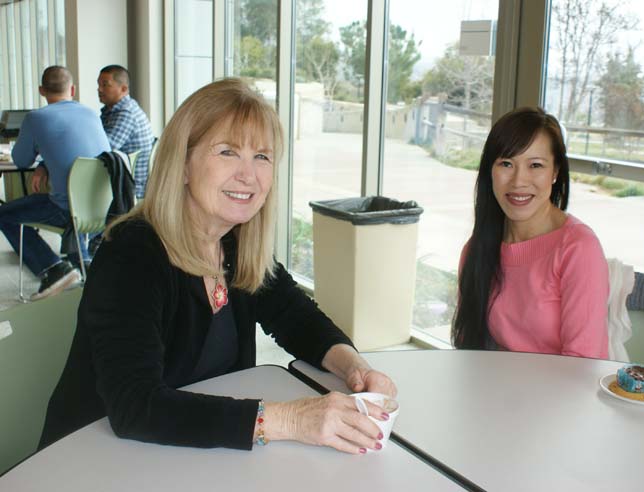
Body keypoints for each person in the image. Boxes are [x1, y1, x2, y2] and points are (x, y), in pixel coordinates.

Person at [40, 78, 397, 455]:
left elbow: (295, 316)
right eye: (227, 152)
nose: (249, 174)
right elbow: (135, 407)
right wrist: (291, 420)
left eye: (262, 156)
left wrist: (354, 368)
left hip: (187, 454)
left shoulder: (235, 241)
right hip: (91, 458)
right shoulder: (131, 254)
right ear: (183, 165)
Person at [452, 107, 609, 358]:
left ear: (555, 172)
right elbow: (468, 349)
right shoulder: (477, 248)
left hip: (564, 392)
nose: (518, 181)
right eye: (506, 163)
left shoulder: (579, 248)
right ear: (489, 171)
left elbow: (582, 364)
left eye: (535, 165)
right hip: (496, 391)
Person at [1, 65, 111, 300]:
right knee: (51, 198)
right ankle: (79, 263)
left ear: (42, 90)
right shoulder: (92, 113)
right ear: (72, 89)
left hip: (67, 209)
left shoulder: (36, 118)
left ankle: (53, 268)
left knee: (4, 214)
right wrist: (44, 164)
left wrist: (39, 161)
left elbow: (20, 160)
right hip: (103, 208)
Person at [97, 64, 154, 199]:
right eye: (99, 84)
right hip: (121, 183)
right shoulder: (113, 110)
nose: (99, 89)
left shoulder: (126, 114)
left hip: (130, 190)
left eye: (105, 85)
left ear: (123, 89)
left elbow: (104, 148)